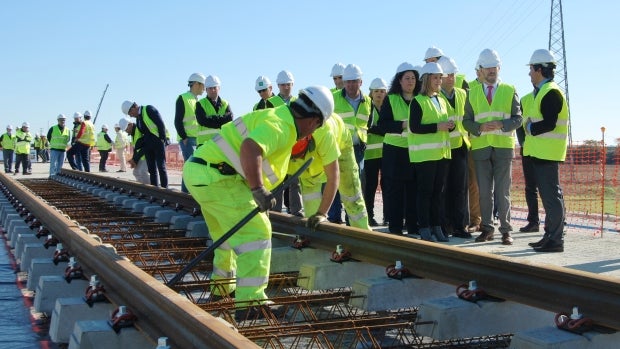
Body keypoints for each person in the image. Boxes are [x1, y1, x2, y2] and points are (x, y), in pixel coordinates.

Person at [182, 85, 333, 318]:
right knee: (257, 233)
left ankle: (222, 288)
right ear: (313, 120)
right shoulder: (283, 126)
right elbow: (250, 148)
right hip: (219, 179)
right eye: (317, 126)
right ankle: (251, 302)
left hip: (201, 172)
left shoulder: (277, 115)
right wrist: (258, 189)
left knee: (228, 236)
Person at [463, 49, 522, 245]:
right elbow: (466, 121)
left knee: (502, 192)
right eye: (487, 68)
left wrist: (502, 125)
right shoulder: (471, 94)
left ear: (499, 68)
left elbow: (518, 118)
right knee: (484, 191)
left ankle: (506, 231)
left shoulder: (509, 89)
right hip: (481, 149)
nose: (491, 71)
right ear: (480, 70)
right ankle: (487, 229)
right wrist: (479, 127)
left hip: (503, 148)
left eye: (494, 67)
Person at [522, 49, 568, 253]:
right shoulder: (544, 91)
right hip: (541, 151)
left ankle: (555, 239)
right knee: (549, 196)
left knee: (551, 197)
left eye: (531, 69)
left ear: (539, 69)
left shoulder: (550, 91)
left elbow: (549, 123)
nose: (530, 73)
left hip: (547, 152)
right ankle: (550, 235)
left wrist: (531, 128)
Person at [408, 62, 453, 242]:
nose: (439, 81)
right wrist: (438, 126)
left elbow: (445, 122)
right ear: (426, 79)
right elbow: (415, 127)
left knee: (437, 193)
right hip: (424, 156)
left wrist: (450, 125)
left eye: (440, 78)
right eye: (435, 78)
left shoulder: (441, 99)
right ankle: (424, 227)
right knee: (425, 193)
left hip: (441, 154)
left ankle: (437, 227)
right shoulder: (417, 101)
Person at [378, 62, 421, 236]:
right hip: (395, 152)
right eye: (407, 78)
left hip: (415, 150)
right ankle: (395, 227)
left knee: (413, 190)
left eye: (413, 78)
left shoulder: (420, 99)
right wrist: (402, 124)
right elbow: (382, 125)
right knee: (395, 191)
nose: (411, 81)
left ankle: (412, 225)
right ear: (399, 81)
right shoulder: (391, 98)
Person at [328, 64, 371, 225]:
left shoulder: (367, 101)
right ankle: (334, 218)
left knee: (355, 184)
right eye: (348, 82)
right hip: (338, 147)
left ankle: (351, 218)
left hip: (358, 148)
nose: (351, 85)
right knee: (335, 180)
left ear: (361, 82)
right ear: (344, 83)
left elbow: (367, 122)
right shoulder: (335, 99)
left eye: (354, 81)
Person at [437, 56, 471, 238]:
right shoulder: (434, 97)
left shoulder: (462, 94)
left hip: (460, 147)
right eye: (447, 75)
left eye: (453, 74)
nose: (451, 78)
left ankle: (460, 225)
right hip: (442, 149)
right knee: (443, 189)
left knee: (459, 188)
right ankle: (443, 226)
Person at [265, 70, 303, 217]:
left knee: (295, 179)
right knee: (276, 179)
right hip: (277, 145)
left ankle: (296, 210)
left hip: (294, 145)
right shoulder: (270, 103)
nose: (286, 87)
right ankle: (276, 211)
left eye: (288, 84)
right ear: (278, 86)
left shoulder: (298, 102)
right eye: (282, 85)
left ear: (292, 84)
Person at [121, 100, 169, 188]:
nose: (131, 115)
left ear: (134, 107)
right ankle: (155, 191)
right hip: (148, 145)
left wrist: (162, 139)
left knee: (161, 168)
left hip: (158, 142)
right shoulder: (138, 119)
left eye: (130, 112)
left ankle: (165, 190)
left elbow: (160, 123)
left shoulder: (149, 109)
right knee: (152, 170)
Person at [363, 78, 388, 227]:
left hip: (386, 155)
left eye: (382, 91)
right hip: (370, 155)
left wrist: (379, 129)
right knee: (370, 187)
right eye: (376, 91)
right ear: (371, 92)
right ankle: (369, 216)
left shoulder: (387, 107)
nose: (379, 94)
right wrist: (382, 129)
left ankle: (388, 216)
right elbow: (367, 127)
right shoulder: (368, 107)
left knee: (387, 186)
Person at [175, 72, 205, 192]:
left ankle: (188, 193)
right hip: (188, 139)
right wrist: (184, 137)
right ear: (196, 84)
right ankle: (185, 194)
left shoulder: (196, 100)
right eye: (203, 85)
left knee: (192, 167)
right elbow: (177, 120)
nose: (204, 88)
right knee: (190, 167)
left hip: (196, 139)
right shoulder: (183, 98)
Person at [516, 92, 540, 233]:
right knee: (530, 188)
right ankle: (533, 222)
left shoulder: (548, 95)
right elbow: (520, 124)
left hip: (545, 150)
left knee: (548, 189)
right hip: (528, 150)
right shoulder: (524, 100)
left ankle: (558, 222)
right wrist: (523, 143)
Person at [195, 75, 233, 146]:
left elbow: (230, 118)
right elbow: (202, 121)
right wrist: (221, 120)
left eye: (214, 88)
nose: (212, 90)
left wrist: (211, 118)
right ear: (206, 90)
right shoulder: (200, 104)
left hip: (222, 143)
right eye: (210, 88)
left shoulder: (225, 103)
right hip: (204, 144)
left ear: (219, 88)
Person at [121, 118, 149, 184]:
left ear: (130, 124)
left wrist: (135, 160)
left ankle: (149, 189)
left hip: (147, 154)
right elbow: (136, 149)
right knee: (136, 172)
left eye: (126, 129)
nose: (126, 131)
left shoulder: (139, 129)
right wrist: (133, 160)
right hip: (141, 156)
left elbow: (145, 146)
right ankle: (142, 188)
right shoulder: (133, 133)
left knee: (143, 171)